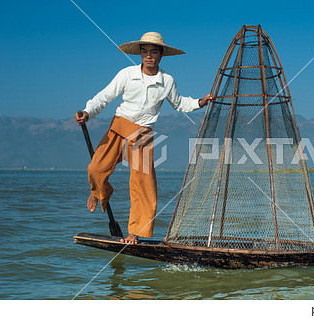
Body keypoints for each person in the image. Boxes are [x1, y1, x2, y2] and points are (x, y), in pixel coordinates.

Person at [74, 32, 213, 244]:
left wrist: (200, 102)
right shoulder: (127, 74)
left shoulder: (166, 80)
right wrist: (87, 113)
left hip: (142, 134)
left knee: (143, 185)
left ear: (161, 54)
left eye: (153, 52)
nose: (149, 56)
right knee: (96, 169)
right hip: (119, 126)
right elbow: (104, 97)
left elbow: (179, 104)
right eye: (145, 52)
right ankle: (99, 191)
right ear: (140, 54)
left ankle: (134, 234)